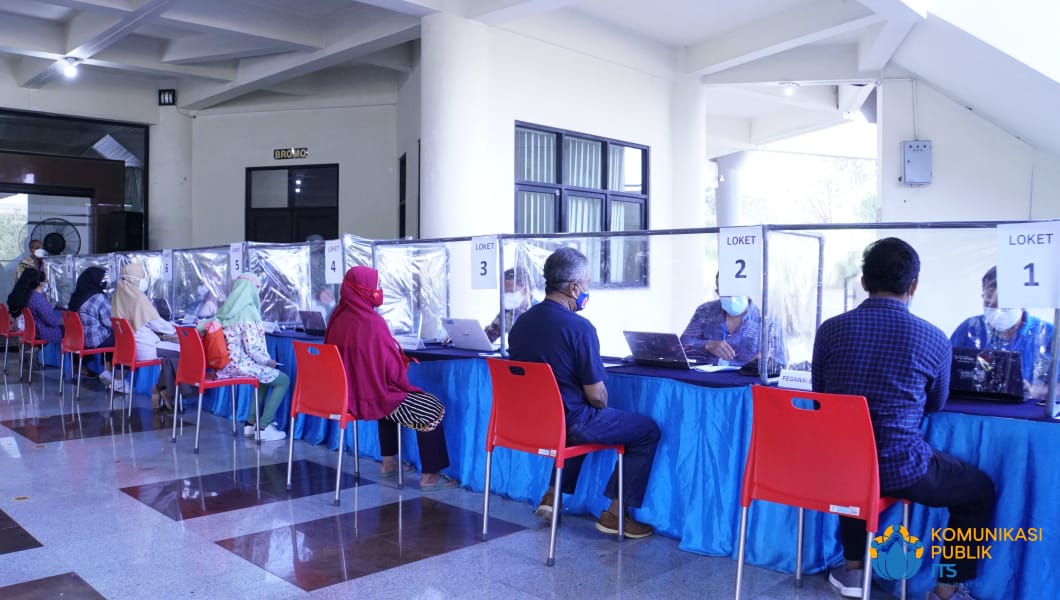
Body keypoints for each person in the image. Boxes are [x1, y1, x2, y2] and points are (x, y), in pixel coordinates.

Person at [812, 237, 995, 600]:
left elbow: (823, 397)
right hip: (904, 470)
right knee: (979, 491)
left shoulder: (829, 330)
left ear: (863, 281)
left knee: (854, 456)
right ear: (914, 286)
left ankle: (853, 571)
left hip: (840, 468)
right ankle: (946, 591)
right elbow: (936, 403)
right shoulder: (933, 338)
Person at [508, 247, 661, 538]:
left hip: (531, 424)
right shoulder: (580, 328)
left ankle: (552, 495)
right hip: (569, 423)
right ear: (574, 287)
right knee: (646, 430)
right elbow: (597, 396)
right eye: (587, 284)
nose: (587, 290)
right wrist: (598, 404)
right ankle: (616, 515)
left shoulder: (521, 323)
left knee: (569, 415)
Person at [325, 266, 458, 491]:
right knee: (431, 407)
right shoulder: (371, 322)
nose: (378, 291)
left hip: (346, 395)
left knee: (385, 397)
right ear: (364, 290)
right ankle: (429, 477)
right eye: (374, 286)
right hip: (366, 397)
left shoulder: (337, 317)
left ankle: (388, 462)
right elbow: (391, 370)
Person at [950, 266, 1054, 401]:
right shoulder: (970, 328)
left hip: (1027, 417)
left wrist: (1035, 391)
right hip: (973, 410)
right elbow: (944, 372)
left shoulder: (1048, 334)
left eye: (1004, 307)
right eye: (989, 304)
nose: (997, 313)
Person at [212, 273, 290, 442]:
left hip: (225, 366)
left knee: (265, 376)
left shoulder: (227, 309)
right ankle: (264, 427)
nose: (258, 291)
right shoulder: (248, 312)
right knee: (283, 380)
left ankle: (250, 423)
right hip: (241, 365)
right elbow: (253, 348)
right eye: (257, 287)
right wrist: (268, 361)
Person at [680, 273, 786, 367]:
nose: (732, 297)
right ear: (718, 292)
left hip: (744, 386)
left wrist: (764, 361)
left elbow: (782, 360)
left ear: (747, 289)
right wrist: (707, 345)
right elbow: (681, 347)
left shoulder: (768, 322)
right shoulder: (705, 311)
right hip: (706, 384)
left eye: (736, 290)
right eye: (726, 292)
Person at [112, 263, 175, 397]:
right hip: (147, 348)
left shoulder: (118, 296)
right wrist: (174, 327)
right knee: (184, 351)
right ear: (134, 279)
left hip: (128, 351)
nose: (144, 280)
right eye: (142, 277)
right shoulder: (139, 299)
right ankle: (165, 391)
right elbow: (158, 325)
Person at [69, 266, 114, 387]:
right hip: (94, 340)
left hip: (78, 340)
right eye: (102, 280)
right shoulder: (98, 297)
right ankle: (110, 372)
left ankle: (87, 367)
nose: (104, 283)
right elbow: (110, 322)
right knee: (119, 338)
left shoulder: (76, 297)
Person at [7, 267, 62, 344]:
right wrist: (65, 321)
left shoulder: (28, 296)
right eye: (46, 281)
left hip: (35, 331)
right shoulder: (39, 299)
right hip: (46, 333)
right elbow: (51, 321)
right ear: (41, 284)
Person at [483, 268, 533, 343]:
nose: (506, 296)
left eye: (510, 291)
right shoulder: (507, 313)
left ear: (525, 289)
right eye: (504, 292)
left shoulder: (540, 312)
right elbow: (488, 338)